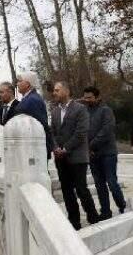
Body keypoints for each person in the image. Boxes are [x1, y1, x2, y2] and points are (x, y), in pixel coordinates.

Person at [51, 81, 100, 230]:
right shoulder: (54, 111)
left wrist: (65, 148)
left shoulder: (80, 109)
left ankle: (93, 217)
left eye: (57, 90)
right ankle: (74, 221)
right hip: (60, 158)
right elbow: (52, 132)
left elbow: (81, 133)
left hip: (77, 157)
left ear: (66, 91)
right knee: (66, 190)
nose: (54, 93)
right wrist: (55, 148)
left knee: (81, 189)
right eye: (54, 90)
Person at [84, 86, 126, 220]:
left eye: (89, 97)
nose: (87, 100)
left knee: (112, 183)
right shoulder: (84, 112)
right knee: (99, 184)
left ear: (97, 97)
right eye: (85, 97)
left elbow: (106, 131)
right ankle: (106, 212)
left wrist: (90, 145)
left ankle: (123, 206)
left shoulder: (106, 110)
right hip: (92, 155)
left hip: (108, 153)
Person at [15, 72, 54, 159]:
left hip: (35, 148)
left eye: (20, 81)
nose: (17, 83)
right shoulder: (28, 98)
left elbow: (40, 124)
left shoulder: (32, 100)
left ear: (28, 84)